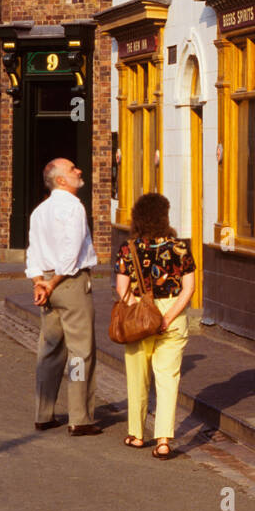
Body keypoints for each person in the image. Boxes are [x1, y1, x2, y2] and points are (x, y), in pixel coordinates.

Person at [114, 193, 195, 460]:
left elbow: (121, 289)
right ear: (164, 216)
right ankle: (163, 440)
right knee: (168, 379)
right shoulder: (180, 248)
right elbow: (189, 288)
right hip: (172, 317)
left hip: (139, 317)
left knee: (137, 377)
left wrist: (140, 305)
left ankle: (137, 434)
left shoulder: (128, 249)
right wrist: (168, 317)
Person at [26, 158, 101, 435]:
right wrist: (54, 282)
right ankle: (79, 417)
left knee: (49, 350)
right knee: (80, 352)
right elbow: (71, 253)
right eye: (72, 169)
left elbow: (32, 252)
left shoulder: (39, 211)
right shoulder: (73, 207)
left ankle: (43, 414)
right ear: (60, 180)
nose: (79, 171)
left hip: (45, 281)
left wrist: (39, 283)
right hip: (69, 283)